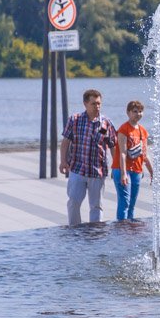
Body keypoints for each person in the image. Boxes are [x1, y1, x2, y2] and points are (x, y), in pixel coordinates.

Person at [59, 89, 117, 226]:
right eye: (93, 104)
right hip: (77, 169)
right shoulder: (75, 120)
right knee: (73, 202)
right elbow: (65, 142)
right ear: (85, 104)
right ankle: (75, 230)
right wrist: (63, 161)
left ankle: (95, 232)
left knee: (96, 206)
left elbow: (113, 146)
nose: (97, 107)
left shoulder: (106, 123)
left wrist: (117, 167)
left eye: (99, 103)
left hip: (98, 171)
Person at [111, 100, 154, 220]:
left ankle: (130, 226)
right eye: (135, 111)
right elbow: (122, 153)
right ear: (128, 112)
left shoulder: (143, 131)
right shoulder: (124, 129)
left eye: (140, 111)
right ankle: (122, 226)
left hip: (137, 170)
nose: (138, 114)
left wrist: (152, 172)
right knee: (124, 202)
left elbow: (145, 154)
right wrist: (123, 173)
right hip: (122, 169)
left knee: (132, 204)